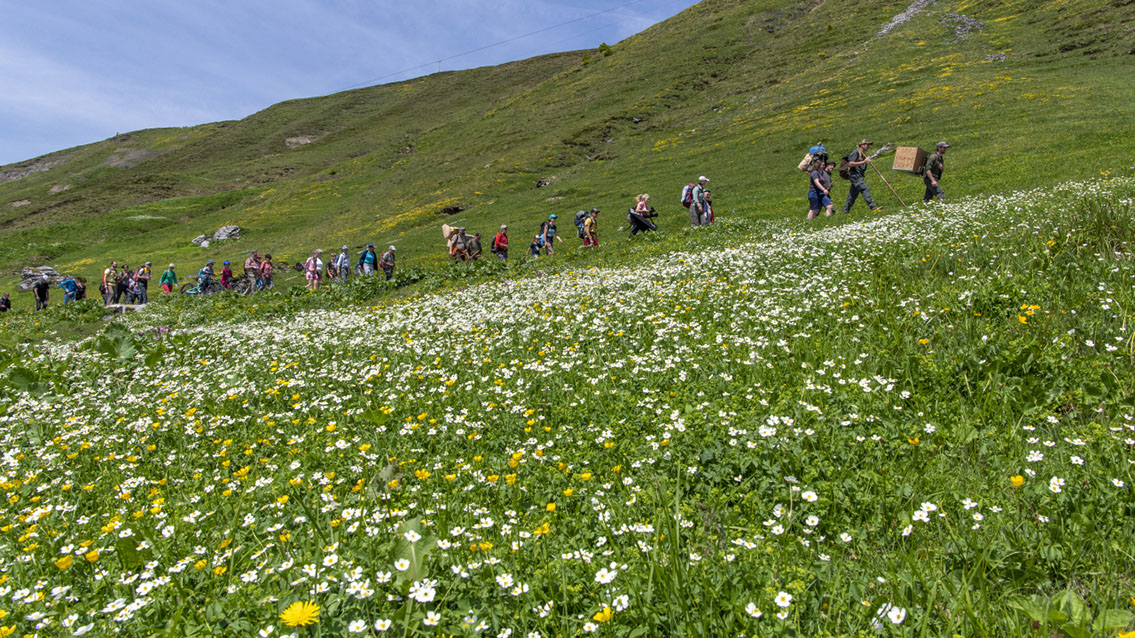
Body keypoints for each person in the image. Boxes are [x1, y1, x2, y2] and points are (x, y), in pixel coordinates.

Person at [843, 139, 882, 214]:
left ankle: (845, 211)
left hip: (859, 175)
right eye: (867, 145)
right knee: (865, 189)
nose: (868, 147)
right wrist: (864, 162)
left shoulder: (863, 154)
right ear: (862, 145)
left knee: (853, 194)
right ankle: (873, 208)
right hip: (854, 175)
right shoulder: (856, 152)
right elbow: (850, 163)